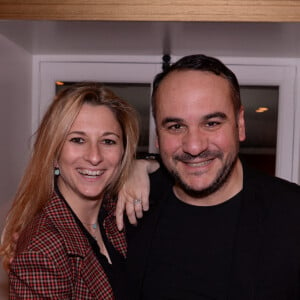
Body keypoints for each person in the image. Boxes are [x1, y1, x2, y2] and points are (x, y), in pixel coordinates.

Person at [120, 54, 300, 299]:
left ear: (240, 124)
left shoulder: (292, 213)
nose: (194, 146)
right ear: (158, 136)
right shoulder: (129, 211)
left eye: (212, 123)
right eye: (175, 126)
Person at [0, 82, 140, 299]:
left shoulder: (117, 214)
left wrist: (143, 165)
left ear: (123, 152)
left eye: (108, 141)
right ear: (54, 152)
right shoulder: (43, 249)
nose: (94, 156)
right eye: (78, 140)